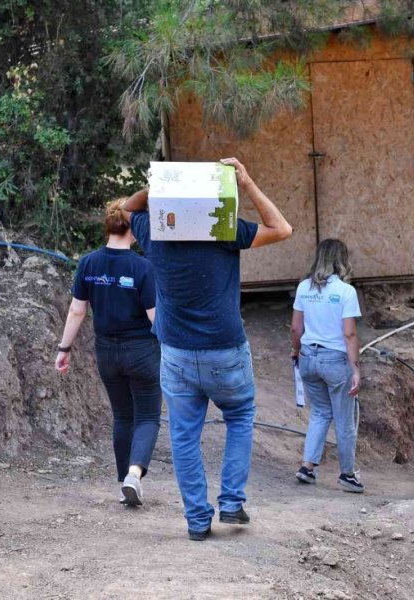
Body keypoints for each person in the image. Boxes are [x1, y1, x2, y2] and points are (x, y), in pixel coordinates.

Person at [122, 157, 292, 541]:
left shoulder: (155, 234)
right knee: (240, 416)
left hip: (177, 353)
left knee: (184, 436)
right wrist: (246, 182)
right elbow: (281, 228)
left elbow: (126, 207)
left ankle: (198, 520)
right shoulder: (224, 230)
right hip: (224, 348)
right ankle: (231, 502)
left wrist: (162, 186)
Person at [55, 200, 160, 507]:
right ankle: (134, 475)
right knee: (149, 416)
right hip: (141, 351)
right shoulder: (143, 267)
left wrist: (64, 349)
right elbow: (155, 318)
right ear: (134, 227)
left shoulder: (88, 263)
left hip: (106, 353)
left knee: (123, 416)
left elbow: (76, 311)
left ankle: (124, 483)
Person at [291, 239, 364, 493]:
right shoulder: (346, 292)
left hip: (309, 358)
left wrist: (296, 352)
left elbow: (295, 328)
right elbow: (349, 334)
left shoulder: (303, 288)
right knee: (345, 420)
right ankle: (347, 475)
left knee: (320, 413)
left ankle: (307, 467)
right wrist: (355, 369)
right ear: (342, 260)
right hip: (335, 361)